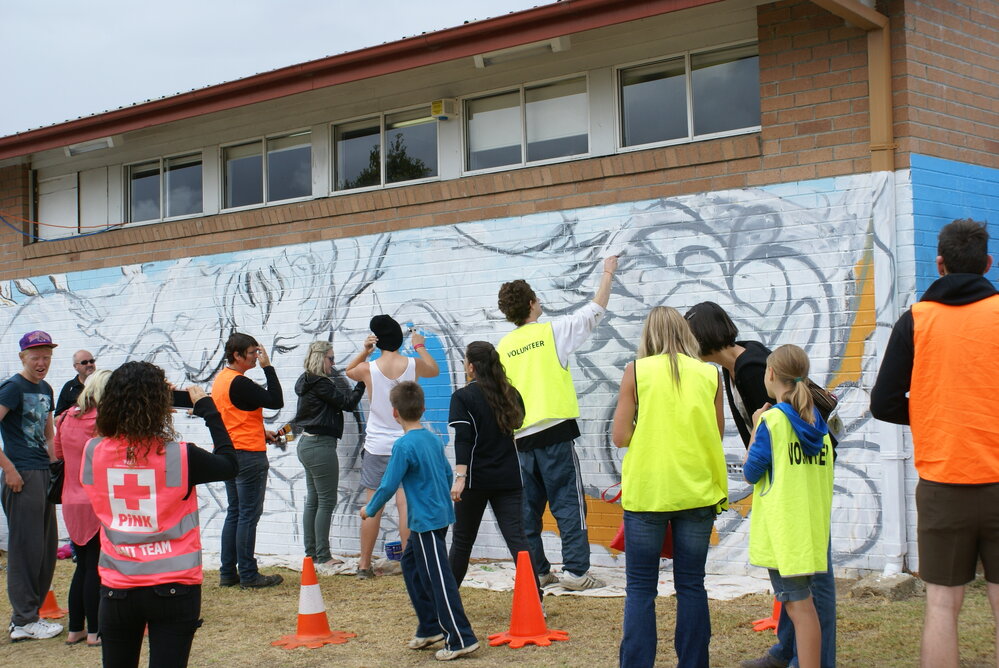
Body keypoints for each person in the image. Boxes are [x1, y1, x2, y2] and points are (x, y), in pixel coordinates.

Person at [871, 218, 999, 668]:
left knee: (943, 606)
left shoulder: (916, 321)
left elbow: (884, 402)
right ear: (988, 263)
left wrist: (931, 414)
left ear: (940, 264)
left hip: (944, 486)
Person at [685, 301, 837, 668]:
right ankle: (786, 652)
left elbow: (773, 435)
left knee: (813, 580)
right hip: (796, 482)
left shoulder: (751, 370)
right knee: (795, 578)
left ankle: (815, 659)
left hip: (795, 487)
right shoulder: (735, 367)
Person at [81, 361, 238, 667]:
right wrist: (208, 410)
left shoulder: (92, 451)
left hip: (118, 587)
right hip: (174, 588)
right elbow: (230, 463)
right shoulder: (181, 455)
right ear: (159, 404)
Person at [611, 306, 727, 668]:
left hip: (648, 493)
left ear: (649, 335)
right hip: (697, 491)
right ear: (686, 333)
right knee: (692, 585)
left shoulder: (636, 371)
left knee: (641, 588)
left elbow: (619, 436)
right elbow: (717, 433)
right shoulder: (711, 374)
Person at [496, 255, 617, 590]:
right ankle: (576, 573)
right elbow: (595, 309)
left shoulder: (503, 347)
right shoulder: (553, 332)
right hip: (554, 434)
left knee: (526, 512)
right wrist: (607, 272)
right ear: (533, 303)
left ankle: (537, 570)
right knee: (567, 505)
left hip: (519, 440)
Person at [361, 381, 478, 661]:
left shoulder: (403, 446)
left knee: (440, 578)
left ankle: (460, 637)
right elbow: (448, 475)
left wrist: (370, 508)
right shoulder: (432, 440)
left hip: (426, 522)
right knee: (411, 564)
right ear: (423, 409)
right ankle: (430, 626)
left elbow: (388, 485)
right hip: (438, 516)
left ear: (394, 413)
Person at [744, 345, 834, 668]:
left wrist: (756, 426)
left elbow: (750, 472)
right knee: (803, 606)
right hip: (810, 530)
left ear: (770, 375)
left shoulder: (773, 422)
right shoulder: (818, 425)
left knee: (799, 608)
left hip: (786, 534)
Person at [346, 315, 439, 579]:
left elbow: (348, 370)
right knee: (406, 504)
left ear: (378, 341)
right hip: (406, 442)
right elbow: (434, 370)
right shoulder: (412, 364)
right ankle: (410, 565)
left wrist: (365, 351)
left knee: (374, 503)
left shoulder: (369, 368)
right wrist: (419, 346)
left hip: (377, 445)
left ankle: (364, 565)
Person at [447, 341, 540, 598]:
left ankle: (446, 601)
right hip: (509, 479)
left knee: (462, 542)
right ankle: (536, 600)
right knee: (518, 541)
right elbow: (517, 427)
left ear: (472, 367)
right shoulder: (511, 393)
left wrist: (460, 477)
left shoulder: (463, 397)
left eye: (466, 361)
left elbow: (463, 439)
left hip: (475, 481)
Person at [0, 330, 63, 641]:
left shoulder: (47, 388)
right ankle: (23, 620)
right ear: (23, 357)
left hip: (41, 472)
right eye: (36, 357)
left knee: (46, 548)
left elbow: (48, 433)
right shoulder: (12, 388)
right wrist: (9, 469)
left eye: (47, 357)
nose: (42, 363)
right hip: (21, 474)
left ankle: (32, 615)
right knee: (26, 550)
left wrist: (56, 465)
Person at [212, 332, 285, 589]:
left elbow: (233, 416)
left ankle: (228, 572)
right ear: (237, 355)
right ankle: (249, 574)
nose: (257, 357)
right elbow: (276, 400)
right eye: (253, 353)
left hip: (229, 451)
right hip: (248, 454)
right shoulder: (240, 382)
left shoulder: (221, 380)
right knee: (247, 515)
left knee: (234, 512)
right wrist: (269, 368)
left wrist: (261, 431)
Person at [293, 340, 365, 575]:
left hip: (307, 443)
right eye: (331, 359)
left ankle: (311, 553)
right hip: (320, 445)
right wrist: (362, 382)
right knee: (326, 500)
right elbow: (348, 403)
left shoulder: (306, 381)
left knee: (314, 500)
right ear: (320, 358)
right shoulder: (320, 383)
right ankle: (323, 555)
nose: (334, 364)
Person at [54, 368, 112, 647]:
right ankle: (95, 631)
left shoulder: (66, 417)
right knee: (94, 567)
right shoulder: (101, 420)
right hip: (95, 499)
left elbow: (59, 454)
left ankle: (75, 629)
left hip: (70, 499)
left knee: (82, 566)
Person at [55, 349, 97, 417]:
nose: (89, 364)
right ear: (75, 366)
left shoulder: (103, 384)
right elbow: (57, 417)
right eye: (84, 362)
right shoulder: (69, 387)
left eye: (92, 361)